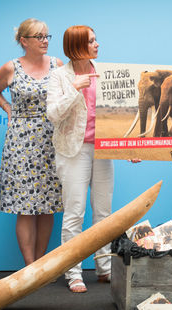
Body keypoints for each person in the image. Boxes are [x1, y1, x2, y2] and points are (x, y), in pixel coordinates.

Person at [0, 18, 64, 267]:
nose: (45, 41)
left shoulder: (57, 65)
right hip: (20, 143)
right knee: (25, 206)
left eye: (47, 36)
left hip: (51, 140)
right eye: (39, 36)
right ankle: (30, 266)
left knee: (48, 204)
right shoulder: (11, 68)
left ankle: (41, 264)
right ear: (24, 41)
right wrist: (9, 109)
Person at [46, 25, 112, 293]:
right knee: (75, 213)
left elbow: (120, 112)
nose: (97, 44)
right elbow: (53, 114)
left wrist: (126, 147)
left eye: (96, 40)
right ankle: (73, 273)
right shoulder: (59, 76)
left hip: (104, 149)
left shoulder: (105, 72)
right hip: (73, 151)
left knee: (104, 214)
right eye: (92, 41)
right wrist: (73, 89)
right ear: (76, 46)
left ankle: (104, 267)